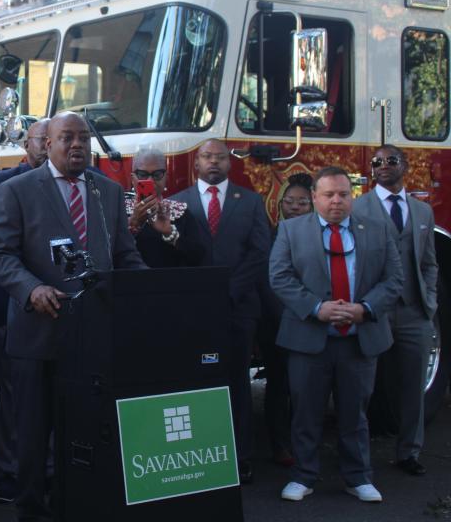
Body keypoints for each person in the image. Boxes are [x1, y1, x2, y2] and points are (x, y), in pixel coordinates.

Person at [0, 112, 147, 521]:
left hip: (93, 336)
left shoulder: (108, 192)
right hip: (38, 334)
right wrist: (31, 288)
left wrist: (151, 291)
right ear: (48, 144)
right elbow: (0, 255)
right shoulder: (17, 190)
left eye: (83, 138)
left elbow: (125, 256)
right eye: (66, 138)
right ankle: (31, 509)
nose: (77, 145)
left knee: (85, 432)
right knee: (34, 435)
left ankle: (73, 505)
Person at [270, 166, 402, 503]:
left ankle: (358, 477)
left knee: (355, 411)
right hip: (308, 337)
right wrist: (316, 308)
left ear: (352, 196)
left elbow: (394, 280)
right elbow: (280, 277)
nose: (336, 201)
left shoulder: (377, 230)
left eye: (343, 194)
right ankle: (303, 476)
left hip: (359, 338)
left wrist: (365, 309)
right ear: (315, 197)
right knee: (305, 411)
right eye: (328, 194)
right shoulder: (290, 230)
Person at [170, 138, 270, 483]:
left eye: (221, 158)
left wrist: (229, 292)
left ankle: (241, 457)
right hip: (192, 311)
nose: (214, 163)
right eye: (207, 157)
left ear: (230, 164)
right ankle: (200, 454)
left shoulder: (252, 202)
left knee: (237, 382)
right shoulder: (176, 203)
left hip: (239, 308)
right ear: (196, 163)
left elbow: (260, 253)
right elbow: (173, 259)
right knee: (195, 382)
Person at [353, 145, 438, 476]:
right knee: (362, 387)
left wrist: (429, 301)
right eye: (377, 162)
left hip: (415, 312)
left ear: (405, 165)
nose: (383, 166)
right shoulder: (357, 209)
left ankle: (409, 452)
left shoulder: (423, 212)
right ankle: (358, 458)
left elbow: (429, 262)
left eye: (391, 161)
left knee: (413, 386)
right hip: (374, 311)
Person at [0, 118, 49, 504]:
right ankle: (9, 470)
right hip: (14, 303)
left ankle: (50, 468)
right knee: (12, 396)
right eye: (44, 138)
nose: (50, 145)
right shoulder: (1, 185)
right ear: (30, 144)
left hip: (64, 308)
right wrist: (33, 286)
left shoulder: (84, 181)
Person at [259, 172, 313, 467]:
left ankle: (305, 443)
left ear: (312, 205)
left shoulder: (321, 237)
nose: (294, 207)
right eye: (289, 201)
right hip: (277, 322)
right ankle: (280, 445)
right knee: (279, 384)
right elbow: (268, 280)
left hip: (312, 321)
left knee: (306, 389)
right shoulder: (270, 234)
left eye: (302, 202)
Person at [126, 146, 204, 267]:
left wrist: (170, 233)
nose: (150, 180)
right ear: (132, 178)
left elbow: (198, 257)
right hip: (129, 282)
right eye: (142, 174)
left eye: (157, 174)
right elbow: (104, 252)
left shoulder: (180, 211)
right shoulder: (117, 209)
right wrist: (133, 223)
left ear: (166, 178)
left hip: (171, 283)